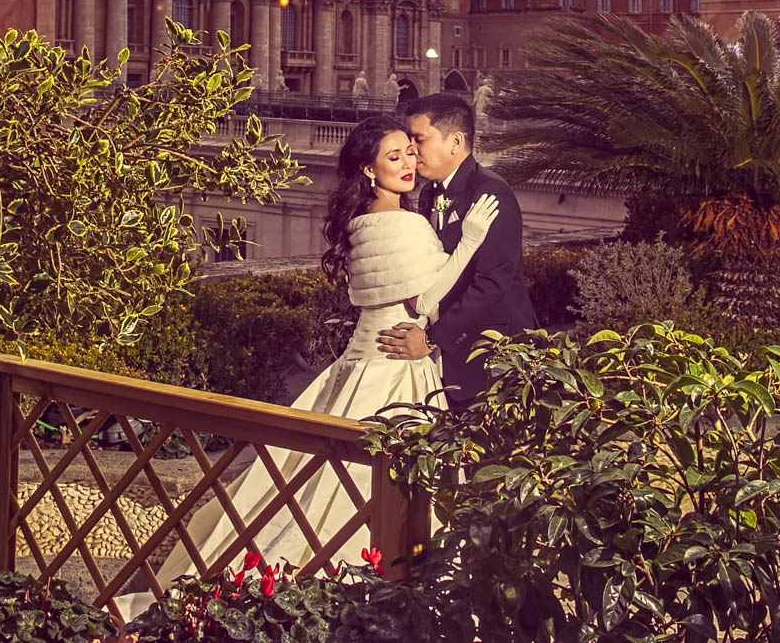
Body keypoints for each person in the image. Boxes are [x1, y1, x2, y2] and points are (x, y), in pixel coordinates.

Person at [113, 116, 497, 617]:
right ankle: (373, 599)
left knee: (323, 482)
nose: (408, 165)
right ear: (368, 169)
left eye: (409, 152)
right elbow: (426, 300)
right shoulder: (402, 223)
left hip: (366, 363)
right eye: (393, 157)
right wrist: (470, 242)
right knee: (376, 486)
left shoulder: (364, 223)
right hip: (397, 369)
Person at [379, 93, 536, 409]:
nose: (411, 150)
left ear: (455, 141)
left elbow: (492, 284)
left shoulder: (492, 193)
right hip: (447, 357)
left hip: (491, 353)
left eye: (418, 139)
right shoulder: (428, 194)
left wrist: (431, 339)